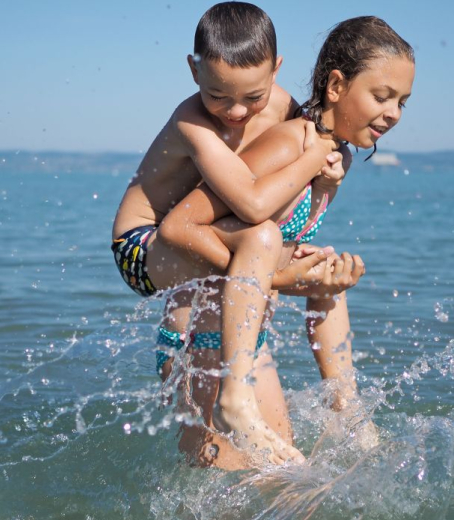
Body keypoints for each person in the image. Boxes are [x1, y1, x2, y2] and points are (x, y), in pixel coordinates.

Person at [157, 15, 415, 469]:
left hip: (245, 341)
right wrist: (282, 276)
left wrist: (320, 279)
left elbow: (267, 263)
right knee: (216, 463)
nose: (393, 112)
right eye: (381, 96)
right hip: (199, 330)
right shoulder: (289, 143)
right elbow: (189, 226)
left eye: (402, 102)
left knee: (290, 475)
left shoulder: (337, 159)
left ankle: (347, 410)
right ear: (336, 86)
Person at [111, 2, 347, 464]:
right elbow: (252, 204)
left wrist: (327, 181)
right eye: (218, 95)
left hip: (203, 238)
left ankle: (345, 403)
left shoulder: (284, 109)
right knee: (261, 241)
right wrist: (314, 159)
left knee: (314, 258)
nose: (235, 111)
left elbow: (289, 204)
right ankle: (236, 394)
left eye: (252, 97)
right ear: (193, 70)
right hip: (144, 247)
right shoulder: (192, 124)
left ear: (276, 70)